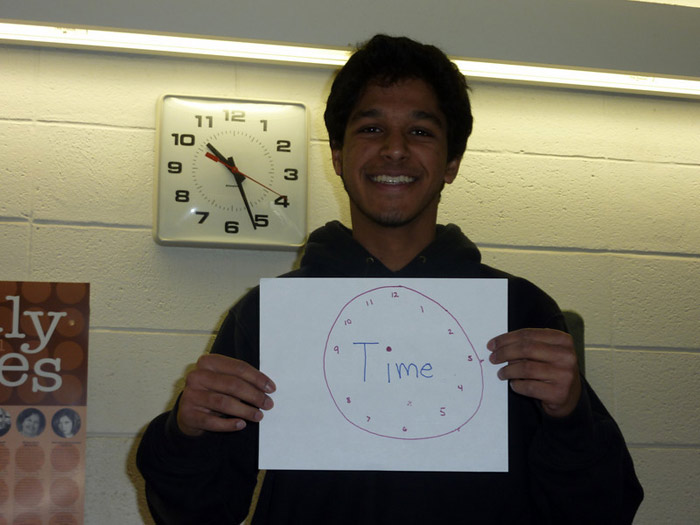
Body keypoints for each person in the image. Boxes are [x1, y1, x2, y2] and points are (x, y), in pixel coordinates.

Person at [137, 34, 643, 524]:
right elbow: (196, 514)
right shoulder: (269, 316)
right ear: (337, 157)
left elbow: (601, 512)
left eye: (421, 131)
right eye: (371, 129)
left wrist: (572, 416)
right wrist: (186, 430)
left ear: (451, 163)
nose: (395, 150)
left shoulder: (520, 311)